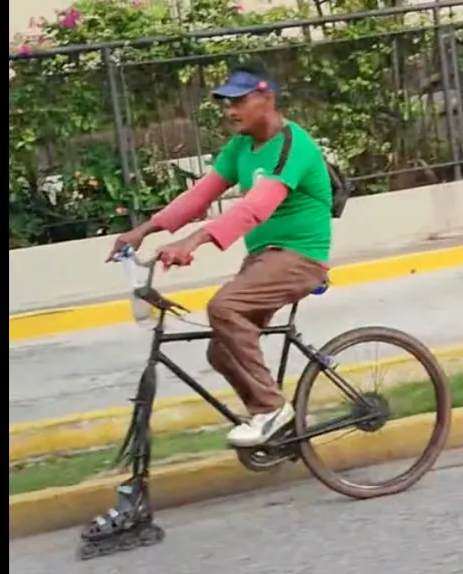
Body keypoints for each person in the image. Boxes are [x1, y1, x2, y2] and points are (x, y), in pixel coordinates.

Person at [108, 63, 332, 448]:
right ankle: (281, 429)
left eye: (239, 101)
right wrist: (144, 230)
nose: (229, 111)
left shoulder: (292, 145)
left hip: (299, 258)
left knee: (224, 307)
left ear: (267, 98)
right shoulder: (242, 147)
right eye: (226, 103)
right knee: (222, 351)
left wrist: (194, 241)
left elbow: (255, 208)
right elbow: (199, 196)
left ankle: (271, 410)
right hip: (263, 258)